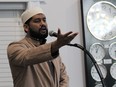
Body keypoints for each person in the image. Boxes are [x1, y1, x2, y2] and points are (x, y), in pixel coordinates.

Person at [7, 7, 78, 87]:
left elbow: (63, 77)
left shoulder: (53, 50)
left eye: (44, 20)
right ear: (26, 27)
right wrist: (56, 45)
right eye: (37, 21)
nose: (43, 23)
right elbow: (27, 56)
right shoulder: (15, 47)